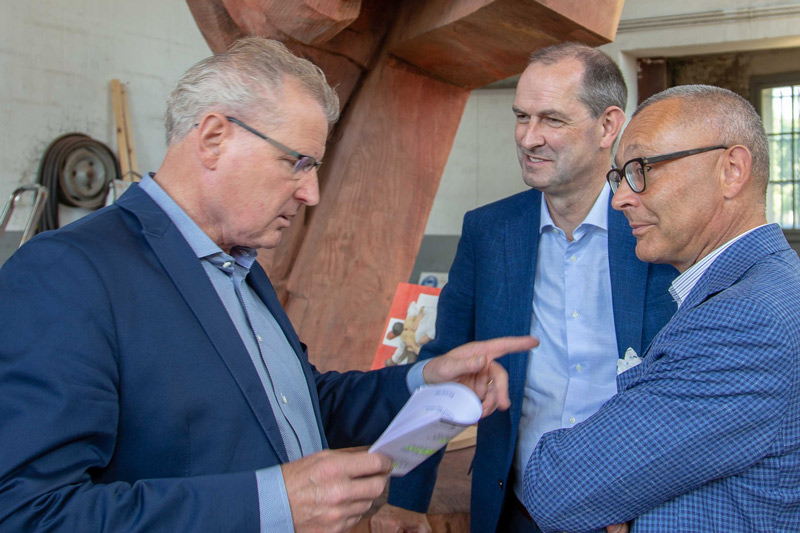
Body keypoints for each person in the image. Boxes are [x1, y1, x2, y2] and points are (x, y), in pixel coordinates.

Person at [0, 37, 536, 532]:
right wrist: (271, 504)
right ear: (214, 138)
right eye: (297, 162)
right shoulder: (67, 273)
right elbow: (29, 511)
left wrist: (423, 381)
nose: (311, 193)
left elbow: (300, 403)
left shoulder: (240, 266)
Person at [371, 42, 677, 533]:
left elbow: (686, 390)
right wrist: (407, 500)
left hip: (634, 516)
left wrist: (645, 497)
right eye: (521, 117)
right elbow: (447, 368)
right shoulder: (488, 232)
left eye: (552, 120)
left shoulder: (661, 235)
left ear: (607, 126)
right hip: (515, 511)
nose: (528, 138)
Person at [523, 85, 800, 532]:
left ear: (731, 170)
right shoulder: (768, 284)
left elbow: (556, 485)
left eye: (642, 169)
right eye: (619, 177)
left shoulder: (745, 320)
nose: (620, 198)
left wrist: (614, 501)